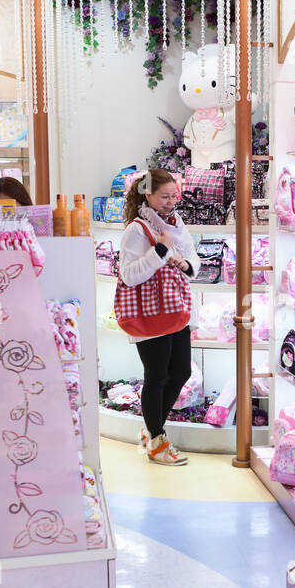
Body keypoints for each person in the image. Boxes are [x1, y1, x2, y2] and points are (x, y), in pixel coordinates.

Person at [118, 168, 199, 466]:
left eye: (173, 196)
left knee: (181, 373)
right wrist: (161, 250)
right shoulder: (136, 230)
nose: (170, 202)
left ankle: (152, 432)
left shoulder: (176, 224)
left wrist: (186, 265)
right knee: (158, 376)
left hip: (176, 309)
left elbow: (194, 259)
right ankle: (157, 439)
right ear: (147, 195)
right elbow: (128, 275)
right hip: (149, 314)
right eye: (164, 196)